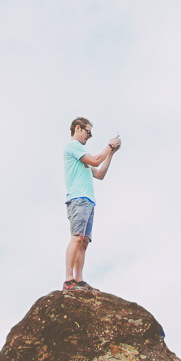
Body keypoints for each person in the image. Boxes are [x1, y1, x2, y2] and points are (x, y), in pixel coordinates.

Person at [62, 116, 121, 290]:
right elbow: (95, 159)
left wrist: (111, 153)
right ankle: (69, 280)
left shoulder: (83, 161)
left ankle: (79, 280)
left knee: (84, 241)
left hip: (88, 200)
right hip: (78, 199)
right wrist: (109, 146)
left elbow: (100, 173)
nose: (89, 136)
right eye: (88, 132)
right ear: (78, 128)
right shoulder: (73, 147)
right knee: (77, 237)